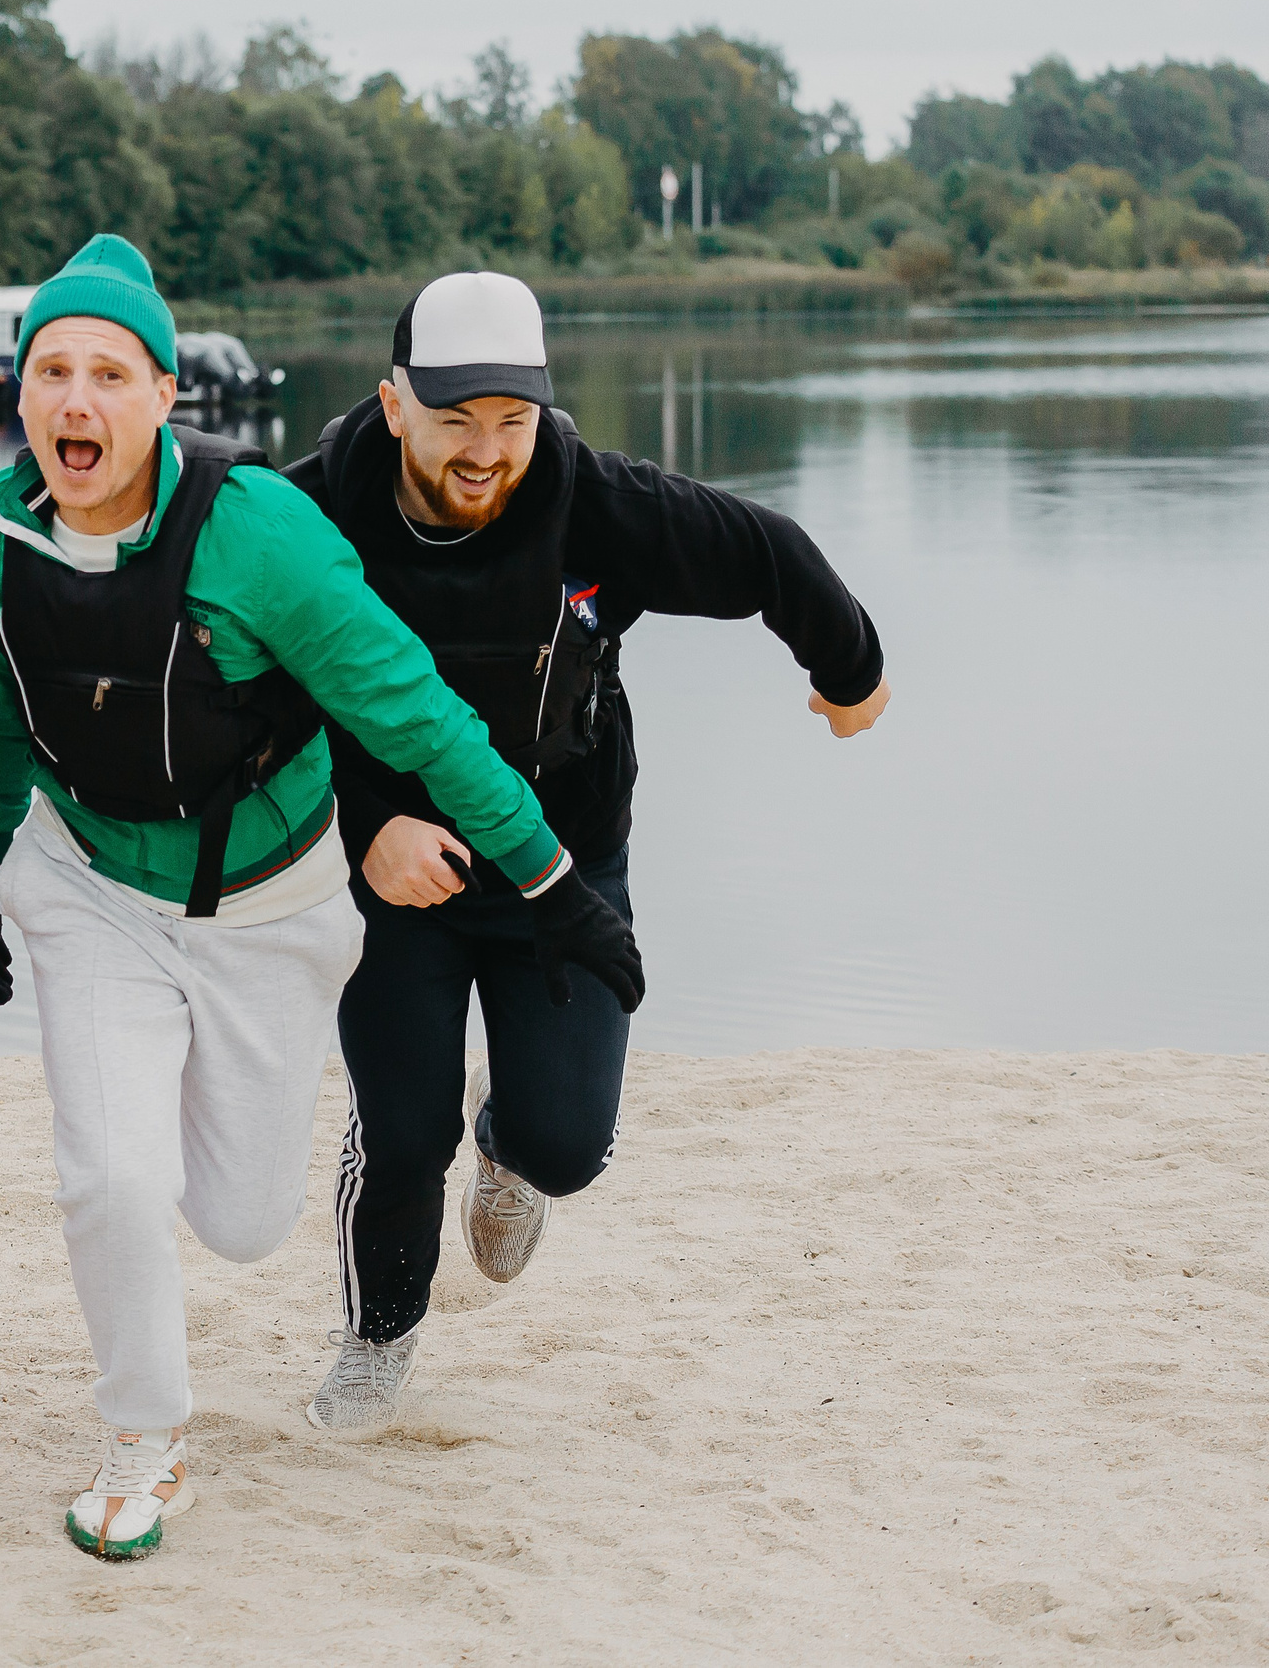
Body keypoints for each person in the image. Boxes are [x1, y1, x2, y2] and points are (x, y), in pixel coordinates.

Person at [0, 235, 642, 1560]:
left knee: (242, 1216)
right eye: (51, 372)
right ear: (22, 392)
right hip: (89, 888)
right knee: (112, 1171)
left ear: (163, 395)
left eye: (109, 371)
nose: (76, 399)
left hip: (272, 907)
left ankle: (343, 1190)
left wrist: (551, 878)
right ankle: (144, 1442)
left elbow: (420, 715)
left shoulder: (260, 531)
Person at [281, 272, 889, 1433]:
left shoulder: (593, 505)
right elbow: (240, 688)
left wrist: (848, 670)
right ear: (393, 402)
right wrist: (366, 830)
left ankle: (509, 1138)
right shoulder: (309, 514)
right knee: (402, 1132)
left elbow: (767, 554)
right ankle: (377, 1335)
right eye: (454, 418)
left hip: (560, 864)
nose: (483, 451)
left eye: (510, 421)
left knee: (566, 1149)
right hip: (389, 869)